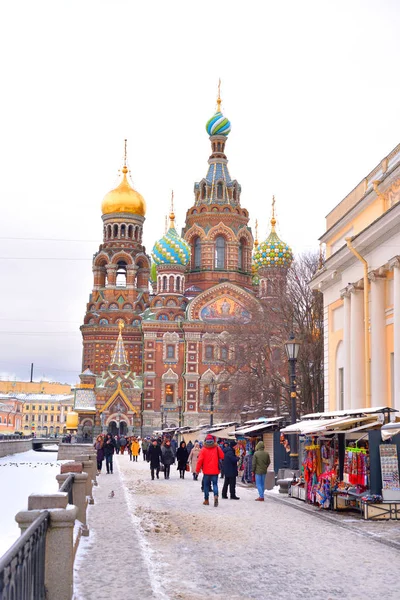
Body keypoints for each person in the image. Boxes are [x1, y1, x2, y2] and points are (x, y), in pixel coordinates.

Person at [196, 434, 224, 506]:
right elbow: (222, 456)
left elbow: (200, 460)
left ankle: (206, 500)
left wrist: (197, 470)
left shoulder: (203, 449)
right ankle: (215, 496)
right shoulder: (217, 448)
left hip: (206, 471)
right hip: (215, 471)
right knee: (215, 484)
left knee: (206, 485)